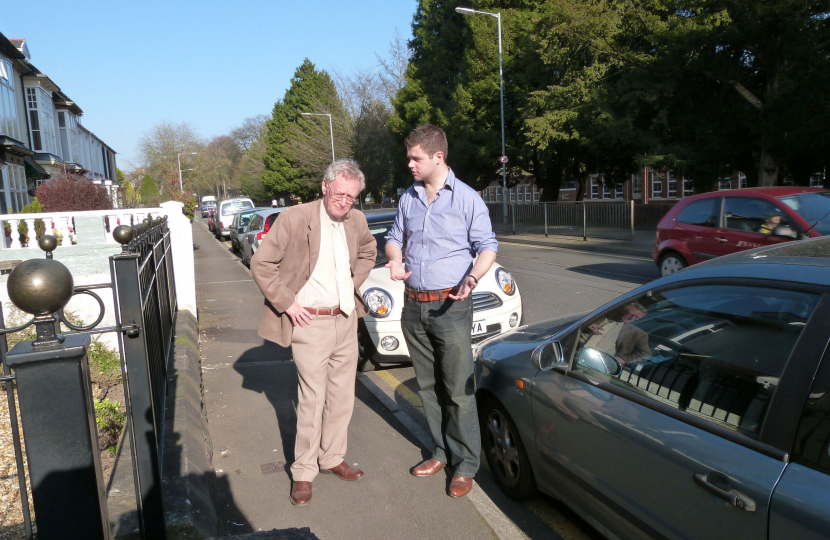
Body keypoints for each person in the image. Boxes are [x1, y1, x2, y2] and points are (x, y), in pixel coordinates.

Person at [250, 159, 377, 506]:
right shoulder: (295, 218)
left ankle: (332, 457)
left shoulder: (357, 219)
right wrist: (287, 303)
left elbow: (369, 251)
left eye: (351, 197)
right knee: (311, 399)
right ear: (324, 187)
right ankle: (303, 472)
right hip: (309, 322)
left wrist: (354, 282)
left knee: (341, 397)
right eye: (339, 194)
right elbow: (261, 264)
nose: (344, 202)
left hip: (346, 320)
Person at [385, 124, 498, 498]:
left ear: (438, 157)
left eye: (415, 157)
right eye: (409, 157)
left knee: (458, 390)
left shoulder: (466, 199)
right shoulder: (408, 198)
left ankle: (465, 465)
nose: (409, 164)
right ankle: (440, 452)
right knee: (428, 387)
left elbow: (487, 246)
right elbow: (393, 239)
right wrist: (395, 260)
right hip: (413, 305)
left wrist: (474, 277)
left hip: (450, 305)